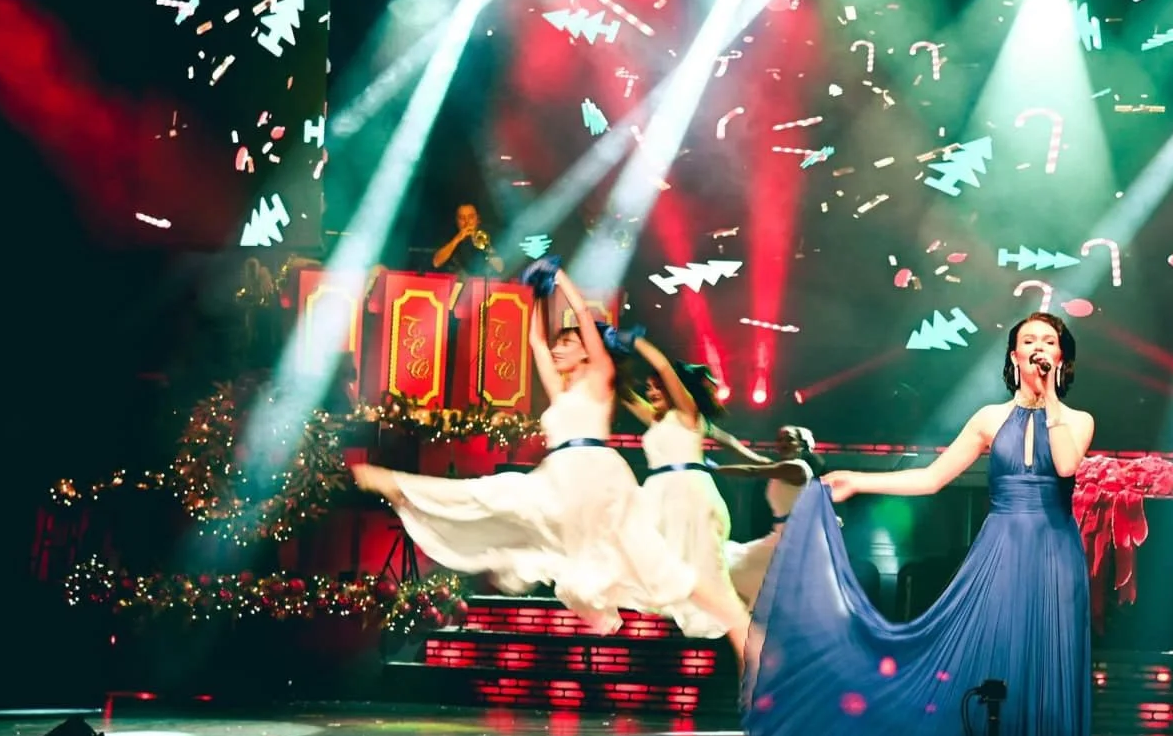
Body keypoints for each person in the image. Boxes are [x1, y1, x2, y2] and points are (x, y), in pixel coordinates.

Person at [743, 312, 1095, 736]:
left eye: (1049, 342)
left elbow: (1066, 461)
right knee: (994, 677)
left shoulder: (1076, 418)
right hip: (1001, 554)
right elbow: (931, 478)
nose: (1037, 349)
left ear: (1063, 360)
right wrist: (860, 481)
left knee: (1046, 685)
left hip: (1054, 560)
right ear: (1011, 357)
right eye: (1028, 342)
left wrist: (1047, 397)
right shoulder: (987, 419)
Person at [351, 268, 750, 667]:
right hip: (560, 477)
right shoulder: (563, 392)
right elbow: (536, 342)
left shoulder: (600, 379)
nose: (559, 349)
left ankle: (738, 624)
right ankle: (400, 486)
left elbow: (585, 324)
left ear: (587, 350)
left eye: (569, 342)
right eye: (561, 343)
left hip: (594, 477)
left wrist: (561, 279)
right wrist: (538, 296)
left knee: (658, 569)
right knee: (495, 494)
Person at [614, 341, 751, 638]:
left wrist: (637, 341)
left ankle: (732, 630)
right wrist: (608, 356)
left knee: (696, 561)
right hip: (658, 494)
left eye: (657, 388)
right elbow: (623, 393)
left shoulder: (688, 414)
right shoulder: (656, 419)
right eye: (648, 388)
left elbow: (664, 365)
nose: (651, 393)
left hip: (688, 493)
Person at [712, 425, 823, 607]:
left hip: (795, 541)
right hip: (783, 537)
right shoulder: (781, 468)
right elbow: (752, 459)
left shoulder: (798, 468)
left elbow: (752, 471)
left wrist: (713, 470)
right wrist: (720, 437)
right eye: (779, 439)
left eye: (789, 439)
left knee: (733, 567)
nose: (782, 443)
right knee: (742, 573)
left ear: (801, 444)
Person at [431, 203, 505, 276]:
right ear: (457, 221)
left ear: (478, 219)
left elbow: (500, 268)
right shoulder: (449, 235)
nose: (467, 222)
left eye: (471, 217)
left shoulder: (488, 235)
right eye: (462, 218)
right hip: (457, 283)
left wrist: (485, 246)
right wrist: (457, 239)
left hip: (482, 283)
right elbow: (436, 262)